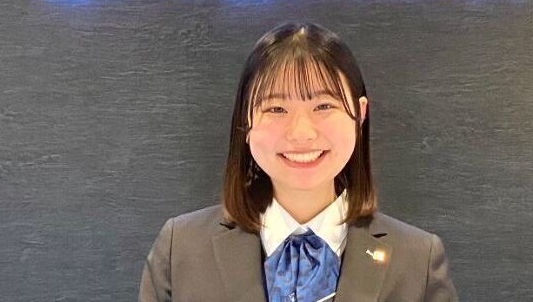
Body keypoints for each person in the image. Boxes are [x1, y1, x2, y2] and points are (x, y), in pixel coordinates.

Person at [138, 22, 459, 302]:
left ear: (360, 114)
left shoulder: (417, 260)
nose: (301, 133)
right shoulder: (181, 248)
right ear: (246, 121)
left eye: (323, 106)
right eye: (276, 109)